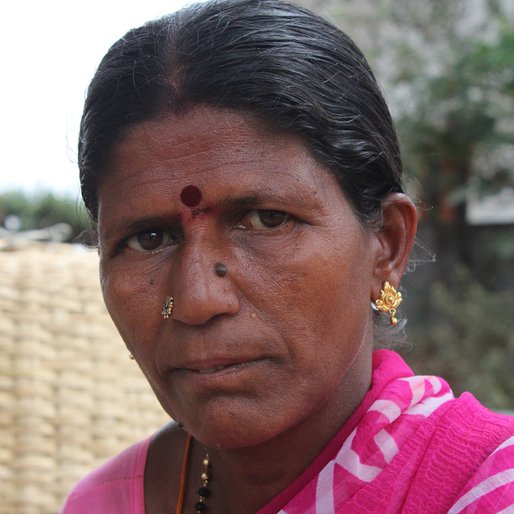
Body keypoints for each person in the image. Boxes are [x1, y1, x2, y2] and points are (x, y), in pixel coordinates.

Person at [61, 0, 514, 512]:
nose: (197, 299)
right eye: (148, 239)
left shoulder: (487, 486)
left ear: (385, 245)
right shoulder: (105, 502)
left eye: (266, 219)